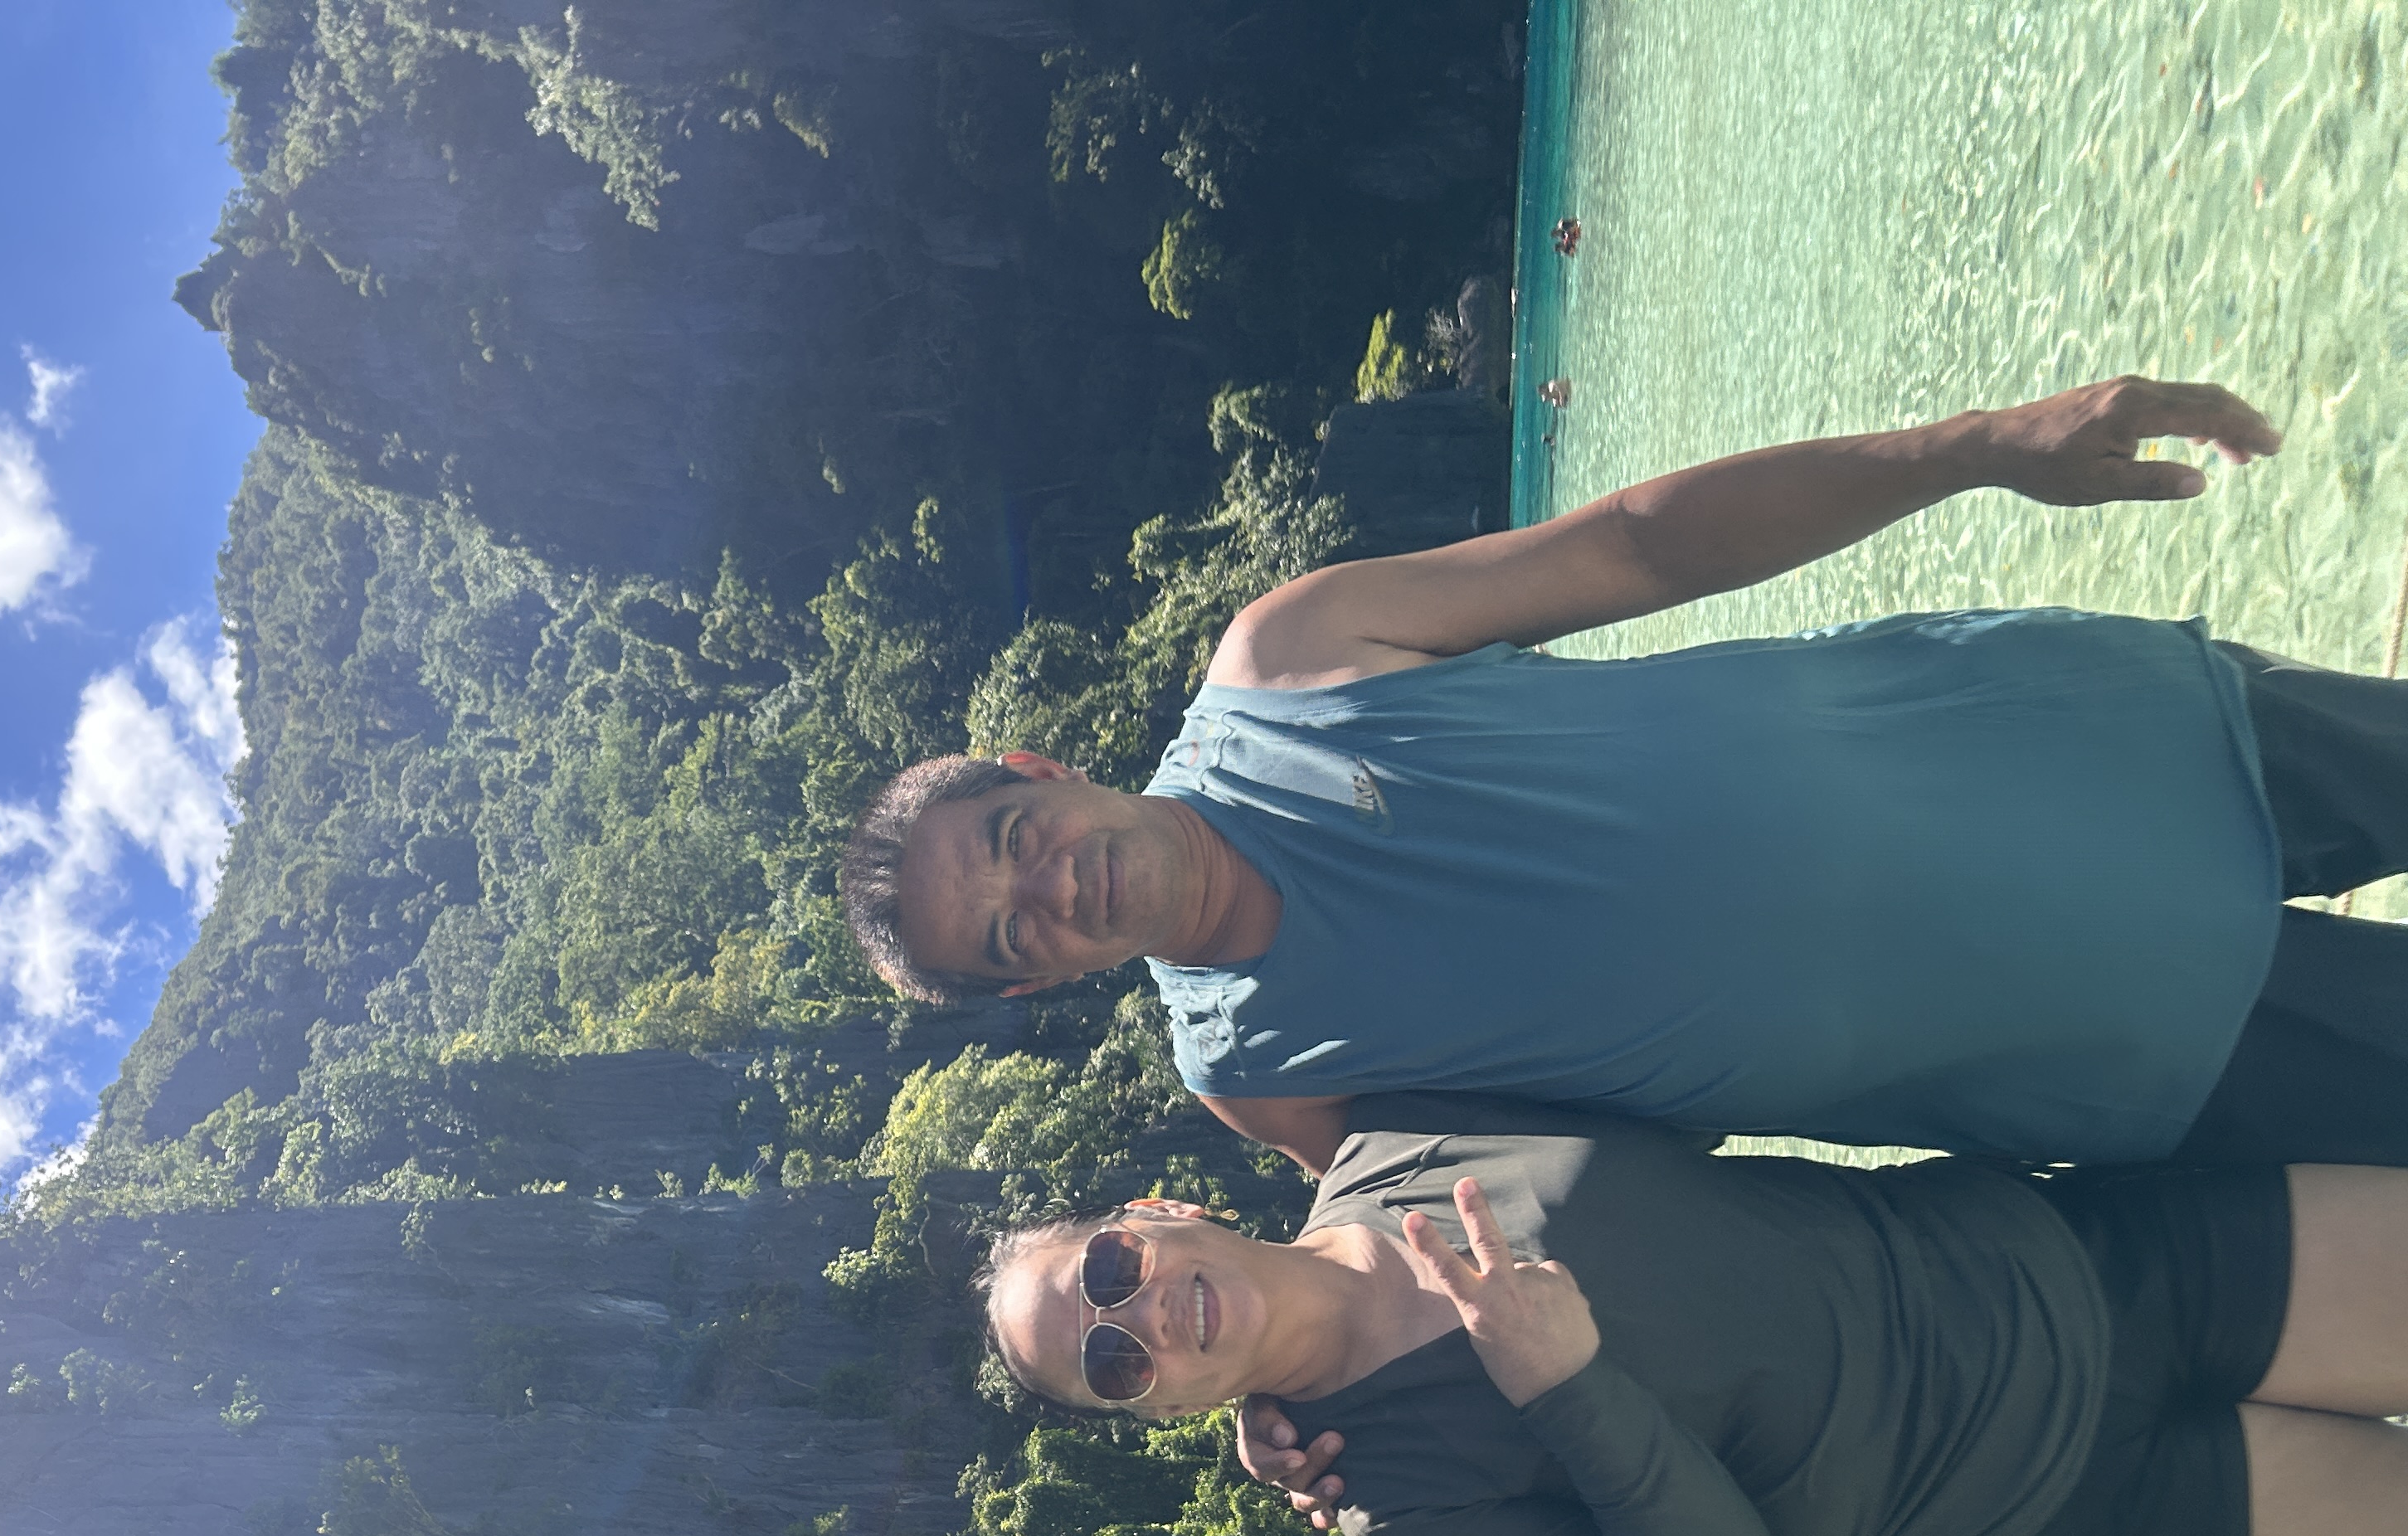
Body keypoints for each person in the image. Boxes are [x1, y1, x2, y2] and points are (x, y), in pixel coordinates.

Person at [841, 377, 2408, 1177]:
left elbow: (1645, 547)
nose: (1050, 886)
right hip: (2090, 1053)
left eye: (1015, 836)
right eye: (1011, 931)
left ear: (1038, 767)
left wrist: (1984, 444)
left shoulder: (1290, 661)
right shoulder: (1261, 1077)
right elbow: (1591, 1213)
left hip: (2075, 751)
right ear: (1036, 988)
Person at [977, 1094, 2408, 1536]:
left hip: (2085, 1260)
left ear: (1154, 1208)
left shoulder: (1392, 1140)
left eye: (1109, 1270)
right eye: (1114, 1365)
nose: (1143, 1319)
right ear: (1155, 1414)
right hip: (2064, 1525)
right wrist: (1570, 1387)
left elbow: (1698, 1069)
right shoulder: (1400, 1508)